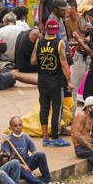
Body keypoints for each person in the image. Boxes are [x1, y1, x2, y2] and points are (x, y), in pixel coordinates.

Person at [30, 18, 72, 147]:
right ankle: (55, 138)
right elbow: (64, 64)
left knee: (44, 109)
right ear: (57, 31)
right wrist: (69, 81)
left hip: (42, 81)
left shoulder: (39, 42)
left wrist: (44, 60)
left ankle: (45, 137)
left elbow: (33, 61)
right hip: (56, 82)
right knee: (56, 110)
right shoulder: (60, 43)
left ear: (47, 30)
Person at [0, 117, 58, 184]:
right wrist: (23, 166)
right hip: (16, 167)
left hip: (26, 163)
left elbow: (35, 152)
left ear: (22, 126)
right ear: (10, 128)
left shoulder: (26, 137)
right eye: (15, 126)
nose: (18, 128)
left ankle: (47, 181)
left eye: (20, 125)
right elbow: (8, 159)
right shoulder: (7, 140)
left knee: (41, 155)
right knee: (17, 165)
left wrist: (28, 165)